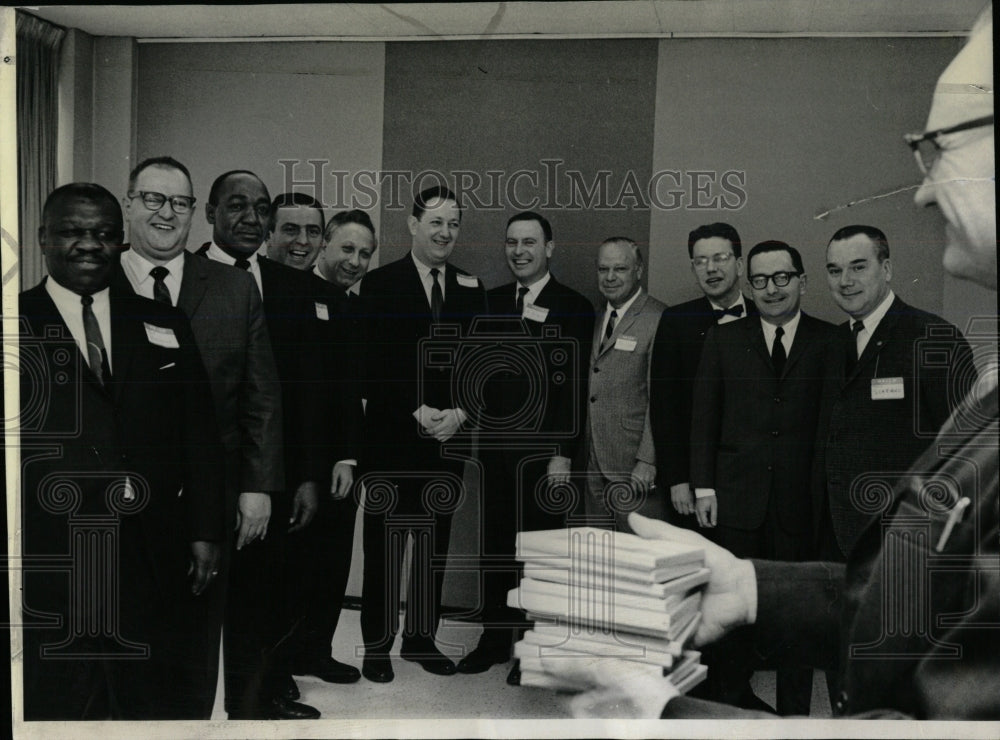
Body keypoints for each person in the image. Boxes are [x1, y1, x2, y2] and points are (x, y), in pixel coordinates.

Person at [540, 5, 998, 720]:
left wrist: (668, 718)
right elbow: (933, 614)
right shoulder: (741, 337)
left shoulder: (908, 341)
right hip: (794, 529)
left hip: (823, 515)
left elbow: (954, 694)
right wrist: (755, 588)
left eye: (942, 147)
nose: (924, 188)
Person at [20, 183, 225, 719]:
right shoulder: (12, 325)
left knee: (149, 696)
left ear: (121, 241)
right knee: (64, 699)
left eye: (105, 234)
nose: (90, 245)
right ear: (43, 238)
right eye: (73, 232)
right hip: (52, 555)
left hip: (152, 550)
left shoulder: (163, 321)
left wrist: (204, 531)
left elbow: (199, 435)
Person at [115, 158, 297, 720]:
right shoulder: (99, 281)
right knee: (124, 632)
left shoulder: (234, 289)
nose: (166, 213)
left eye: (179, 203)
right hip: (123, 501)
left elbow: (260, 396)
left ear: (196, 212)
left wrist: (258, 486)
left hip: (210, 496)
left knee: (197, 640)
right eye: (153, 199)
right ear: (129, 203)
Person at [197, 174, 331, 718]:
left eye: (259, 208)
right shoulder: (180, 277)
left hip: (272, 476)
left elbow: (303, 396)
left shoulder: (293, 288)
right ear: (210, 213)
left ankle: (257, 703)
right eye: (237, 207)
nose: (250, 219)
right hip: (198, 469)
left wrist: (305, 476)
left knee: (263, 597)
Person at [690, 240, 836, 714]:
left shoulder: (831, 342)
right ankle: (731, 711)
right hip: (737, 501)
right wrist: (704, 486)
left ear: (802, 281)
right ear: (747, 283)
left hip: (801, 505)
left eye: (781, 278)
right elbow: (704, 418)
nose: (771, 289)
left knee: (797, 623)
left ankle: (794, 719)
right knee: (731, 620)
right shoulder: (724, 338)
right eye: (759, 280)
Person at [457, 211, 594, 683]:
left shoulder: (573, 305)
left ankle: (532, 647)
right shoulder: (489, 302)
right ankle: (494, 638)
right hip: (495, 452)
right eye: (512, 242)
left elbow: (574, 385)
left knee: (538, 553)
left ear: (549, 248)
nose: (519, 251)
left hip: (544, 455)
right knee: (494, 546)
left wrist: (563, 451)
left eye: (530, 242)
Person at [358, 185, 488, 683]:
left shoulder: (470, 287)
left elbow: (481, 365)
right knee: (386, 545)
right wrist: (415, 407)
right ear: (412, 225)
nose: (445, 233)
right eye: (435, 222)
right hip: (392, 438)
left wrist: (459, 412)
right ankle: (376, 645)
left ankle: (420, 639)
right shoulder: (381, 284)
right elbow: (372, 363)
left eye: (453, 224)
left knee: (434, 543)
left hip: (447, 440)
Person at [815, 224, 974, 560]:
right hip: (837, 538)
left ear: (886, 269)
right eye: (835, 270)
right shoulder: (829, 344)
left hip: (907, 540)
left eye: (858, 267)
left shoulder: (934, 338)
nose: (845, 281)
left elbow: (964, 452)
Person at [273, 201, 366, 686]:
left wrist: (347, 457)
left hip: (338, 461)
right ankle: (281, 663)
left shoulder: (346, 304)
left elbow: (349, 390)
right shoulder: (279, 291)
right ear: (326, 244)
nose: (355, 260)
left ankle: (315, 651)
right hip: (293, 460)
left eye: (365, 253)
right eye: (346, 247)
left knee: (332, 562)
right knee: (295, 568)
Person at [650, 223, 757, 528]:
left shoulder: (764, 316)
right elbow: (664, 407)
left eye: (719, 258)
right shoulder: (675, 321)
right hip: (693, 481)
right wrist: (677, 478)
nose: (710, 269)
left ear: (738, 264)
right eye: (700, 261)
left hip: (751, 478)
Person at [584, 237, 666, 532]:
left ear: (639, 270)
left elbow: (661, 398)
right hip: (594, 463)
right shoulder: (594, 316)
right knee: (599, 559)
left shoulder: (659, 318)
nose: (609, 277)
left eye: (620, 268)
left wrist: (648, 459)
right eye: (603, 269)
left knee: (637, 559)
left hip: (634, 465)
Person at [316, 208, 378, 292]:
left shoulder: (361, 304)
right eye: (348, 249)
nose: (355, 262)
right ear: (323, 247)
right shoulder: (296, 292)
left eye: (364, 254)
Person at [265, 191, 325, 270]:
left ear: (322, 241)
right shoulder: (246, 279)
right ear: (267, 236)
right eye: (290, 230)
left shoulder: (322, 282)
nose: (303, 241)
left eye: (313, 232)